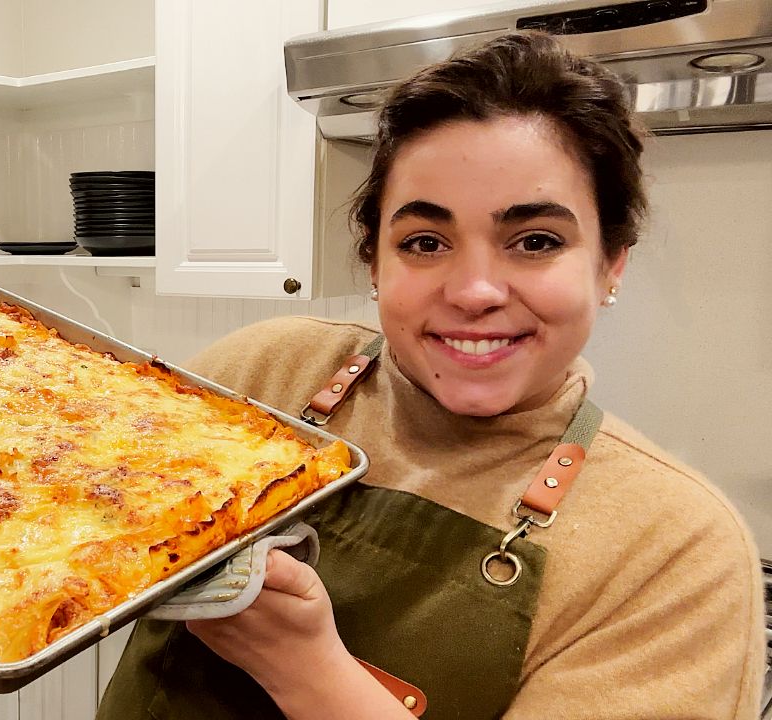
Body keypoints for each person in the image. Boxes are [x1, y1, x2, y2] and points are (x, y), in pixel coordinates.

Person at [92, 32, 766, 719]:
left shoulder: (672, 552)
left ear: (610, 264)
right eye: (425, 243)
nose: (475, 291)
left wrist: (311, 674)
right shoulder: (264, 373)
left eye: (535, 242)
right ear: (375, 262)